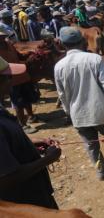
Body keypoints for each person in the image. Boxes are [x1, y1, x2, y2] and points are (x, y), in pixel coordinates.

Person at [54, 27, 104, 180]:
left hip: (78, 114)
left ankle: (101, 171)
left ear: (62, 44)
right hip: (102, 111)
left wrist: (69, 112)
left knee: (91, 146)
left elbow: (62, 94)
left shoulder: (59, 66)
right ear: (83, 41)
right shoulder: (94, 59)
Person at [0, 56, 62, 208]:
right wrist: (48, 159)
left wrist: (30, 143)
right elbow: (7, 177)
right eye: (8, 77)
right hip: (24, 204)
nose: (12, 80)